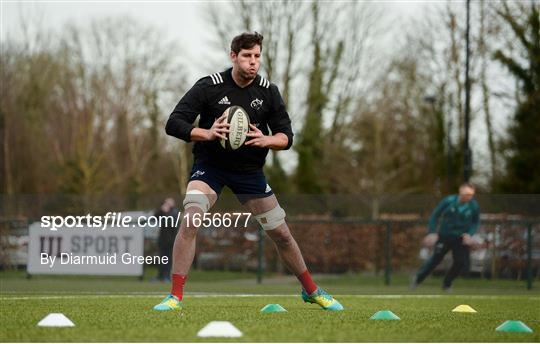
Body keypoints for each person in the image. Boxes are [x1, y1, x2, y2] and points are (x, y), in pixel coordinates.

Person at [154, 32, 343, 311]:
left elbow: (286, 136)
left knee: (281, 234)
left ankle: (311, 290)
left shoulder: (268, 91)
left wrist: (268, 139)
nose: (253, 62)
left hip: (249, 173)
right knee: (191, 217)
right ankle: (175, 296)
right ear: (234, 56)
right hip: (210, 167)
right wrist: (206, 133)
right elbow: (174, 123)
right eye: (247, 56)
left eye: (257, 56)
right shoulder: (210, 86)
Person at [411, 183, 480, 291]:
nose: (468, 197)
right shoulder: (449, 201)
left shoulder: (474, 206)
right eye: (466, 194)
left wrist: (469, 234)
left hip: (461, 238)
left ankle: (447, 284)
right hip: (444, 236)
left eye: (471, 195)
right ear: (460, 191)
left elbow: (475, 222)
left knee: (461, 262)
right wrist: (432, 232)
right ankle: (418, 279)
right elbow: (435, 215)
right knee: (435, 260)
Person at [152, 198, 179, 282]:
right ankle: (160, 276)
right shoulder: (163, 212)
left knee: (169, 260)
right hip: (162, 241)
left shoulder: (174, 212)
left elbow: (171, 221)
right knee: (162, 259)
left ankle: (166, 276)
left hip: (171, 241)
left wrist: (165, 212)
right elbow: (155, 217)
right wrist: (161, 210)